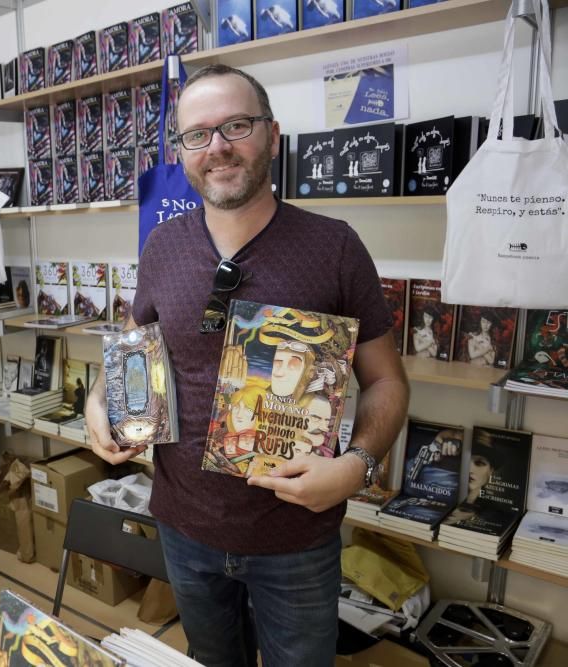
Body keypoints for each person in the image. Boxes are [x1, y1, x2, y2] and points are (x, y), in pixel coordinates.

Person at [84, 64, 409, 667]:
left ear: (273, 135)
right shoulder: (163, 246)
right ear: (180, 151)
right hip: (183, 527)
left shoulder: (335, 246)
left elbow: (387, 380)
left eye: (236, 125)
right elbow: (131, 350)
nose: (218, 147)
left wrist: (358, 466)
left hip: (294, 538)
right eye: (197, 135)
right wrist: (97, 402)